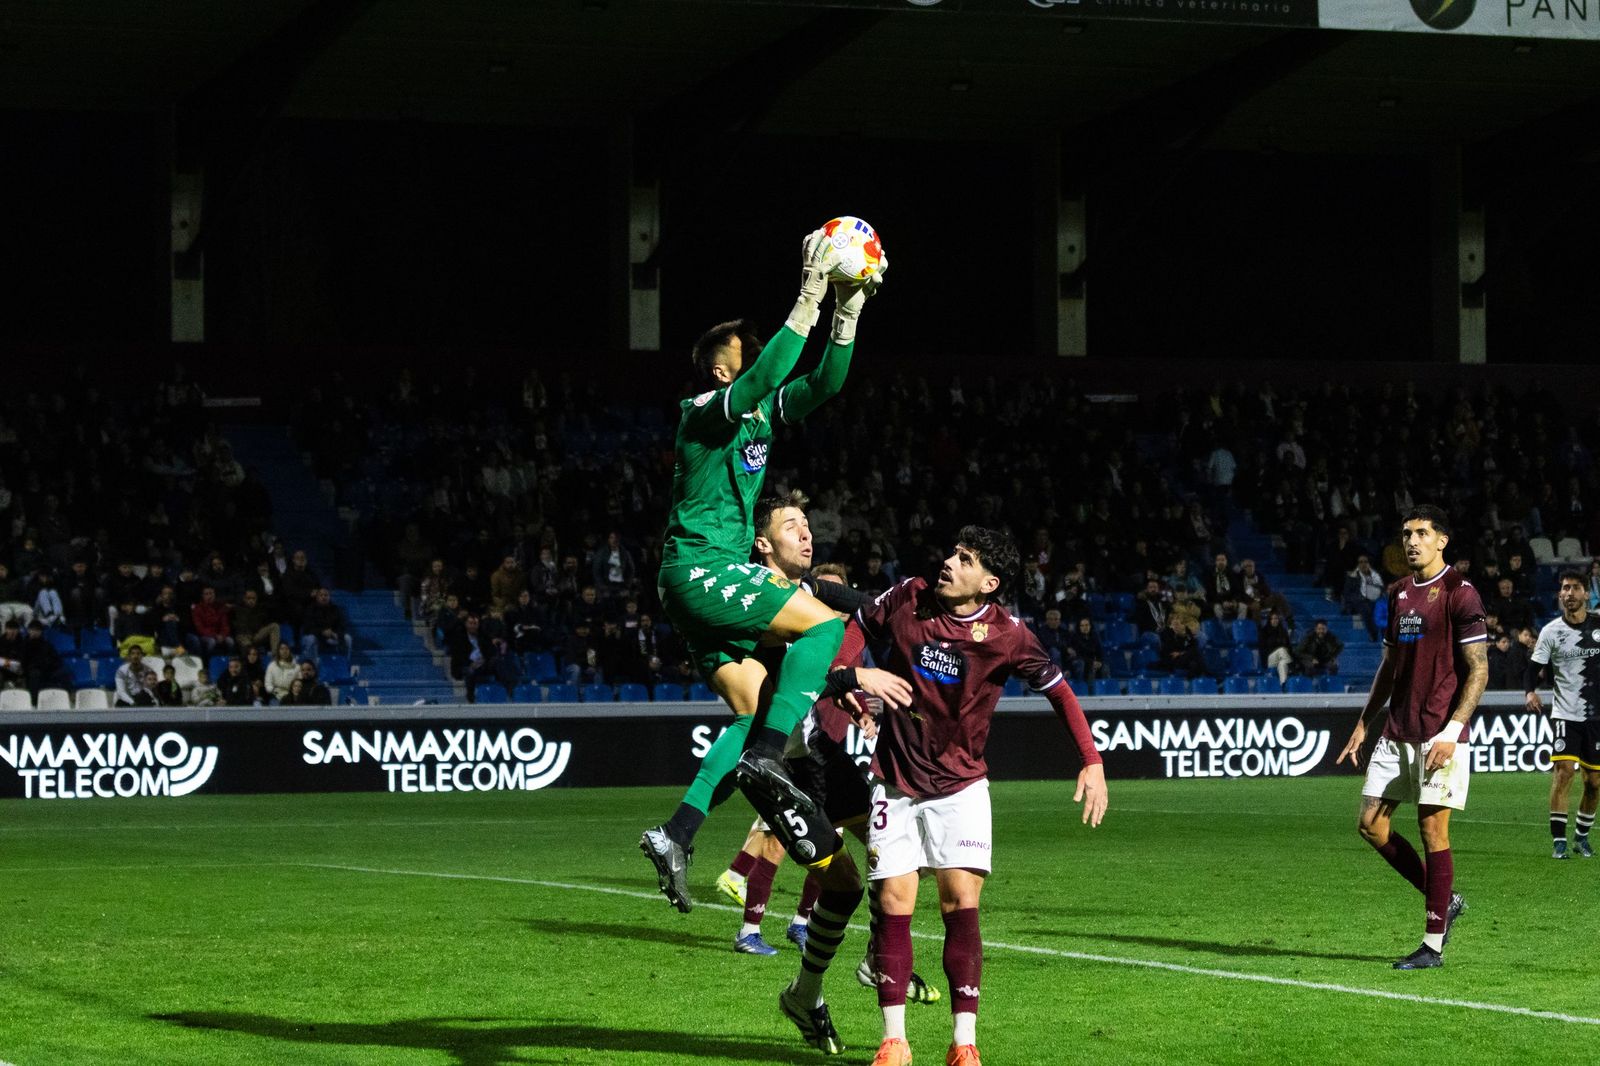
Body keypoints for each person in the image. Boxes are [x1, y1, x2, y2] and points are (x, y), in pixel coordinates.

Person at [640, 227, 884, 913]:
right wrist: (808, 292)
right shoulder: (701, 415)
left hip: (698, 583)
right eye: (745, 361)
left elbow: (826, 380)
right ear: (725, 373)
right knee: (824, 629)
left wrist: (847, 309)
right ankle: (771, 755)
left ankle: (678, 833)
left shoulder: (760, 420)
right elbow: (769, 373)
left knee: (751, 713)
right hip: (701, 568)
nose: (758, 368)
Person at [845, 526, 1107, 1066]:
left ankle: (964, 1045)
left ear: (988, 582)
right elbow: (856, 624)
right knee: (895, 904)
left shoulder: (1008, 635)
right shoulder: (911, 596)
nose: (949, 562)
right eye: (952, 552)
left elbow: (1059, 690)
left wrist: (1092, 760)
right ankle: (894, 1041)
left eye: (964, 560)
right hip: (895, 781)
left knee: (958, 907)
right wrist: (851, 675)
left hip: (961, 787)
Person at [1336, 505, 1487, 970]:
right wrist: (1364, 721)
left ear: (1442, 540)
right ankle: (1446, 900)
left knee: (1431, 830)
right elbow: (1389, 667)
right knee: (1370, 825)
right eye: (1406, 533)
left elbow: (1479, 669)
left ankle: (1433, 946)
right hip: (1397, 729)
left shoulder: (1460, 593)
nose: (1412, 541)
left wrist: (1453, 731)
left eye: (1422, 533)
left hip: (1439, 732)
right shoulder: (1399, 593)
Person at [1525, 570, 1600, 860]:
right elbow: (1532, 669)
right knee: (1564, 771)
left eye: (1575, 588)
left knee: (1593, 782)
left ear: (1585, 593)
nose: (1568, 593)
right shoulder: (1550, 631)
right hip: (1565, 714)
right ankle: (1559, 840)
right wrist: (1529, 692)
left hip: (1596, 717)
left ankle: (1581, 837)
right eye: (1564, 588)